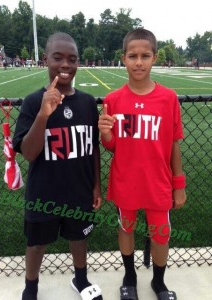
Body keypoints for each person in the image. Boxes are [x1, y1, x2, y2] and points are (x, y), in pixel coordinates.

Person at [13, 32, 103, 300]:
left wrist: (97, 185)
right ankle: (31, 288)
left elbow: (93, 147)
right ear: (45, 60)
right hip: (44, 193)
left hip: (79, 190)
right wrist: (43, 113)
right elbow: (29, 153)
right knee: (37, 242)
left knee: (79, 237)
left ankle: (81, 280)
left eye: (72, 59)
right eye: (58, 57)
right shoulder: (32, 102)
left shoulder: (87, 103)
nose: (66, 64)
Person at [98, 28, 186, 300]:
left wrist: (178, 184)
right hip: (126, 180)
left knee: (161, 234)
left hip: (158, 182)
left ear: (155, 58)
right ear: (123, 58)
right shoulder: (113, 100)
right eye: (133, 55)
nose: (139, 62)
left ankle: (159, 282)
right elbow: (113, 146)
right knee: (126, 228)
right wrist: (105, 134)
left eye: (145, 55)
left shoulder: (168, 98)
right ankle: (130, 277)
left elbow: (173, 144)